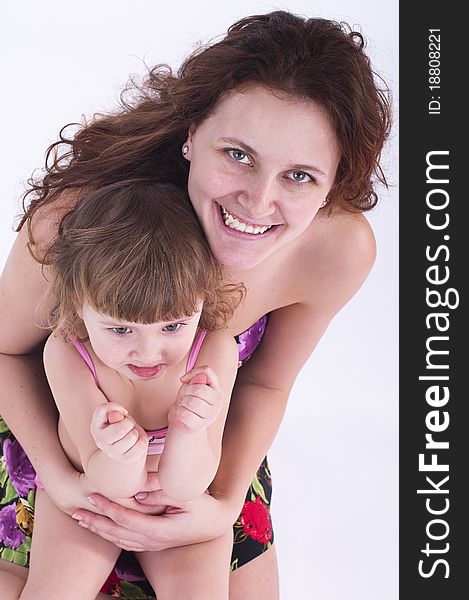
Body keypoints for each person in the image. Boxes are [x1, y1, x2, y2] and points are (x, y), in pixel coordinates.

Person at [0, 10, 391, 600]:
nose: (258, 202)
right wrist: (62, 478)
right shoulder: (84, 224)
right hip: (61, 434)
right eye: (237, 154)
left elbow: (263, 385)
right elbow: (4, 350)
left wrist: (221, 504)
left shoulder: (336, 250)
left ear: (334, 182)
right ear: (191, 132)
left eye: (301, 176)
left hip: (201, 449)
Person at [2, 178, 244, 599]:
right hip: (89, 495)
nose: (148, 353)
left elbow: (189, 486)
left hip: (182, 506)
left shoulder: (214, 350)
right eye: (120, 329)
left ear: (203, 301)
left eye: (172, 325)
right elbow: (106, 482)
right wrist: (120, 453)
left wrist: (188, 432)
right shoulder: (67, 353)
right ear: (79, 305)